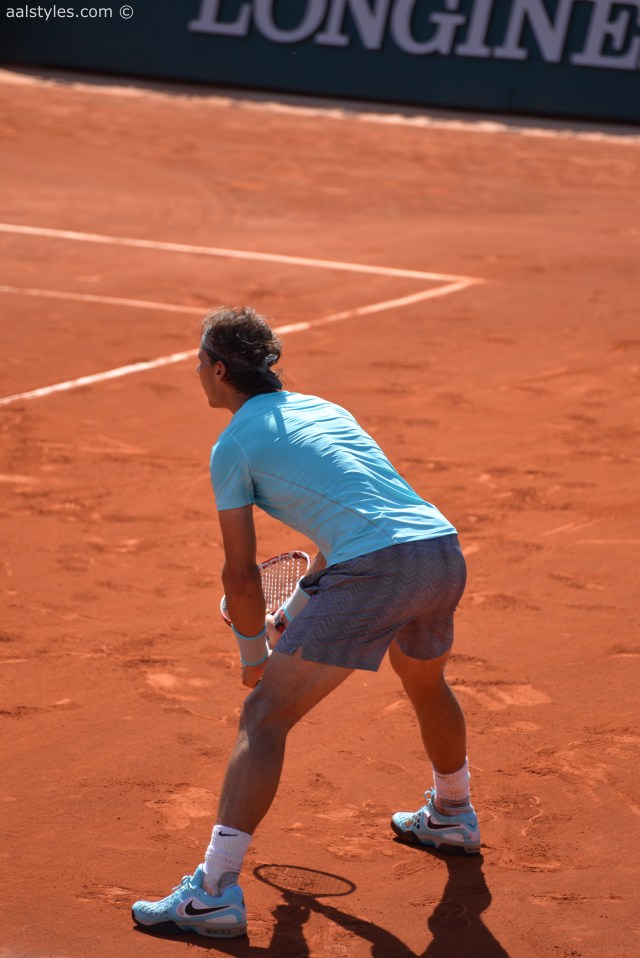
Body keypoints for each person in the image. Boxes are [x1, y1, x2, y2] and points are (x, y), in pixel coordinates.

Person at [132, 306, 480, 939]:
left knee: (263, 718)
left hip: (380, 568)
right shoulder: (325, 410)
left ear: (218, 370)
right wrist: (292, 612)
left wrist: (252, 656)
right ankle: (453, 811)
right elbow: (353, 518)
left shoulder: (234, 443)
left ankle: (213, 891)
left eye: (198, 364)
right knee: (426, 682)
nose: (196, 374)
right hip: (439, 550)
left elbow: (239, 577)